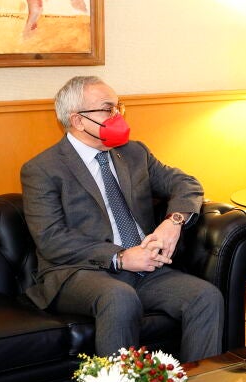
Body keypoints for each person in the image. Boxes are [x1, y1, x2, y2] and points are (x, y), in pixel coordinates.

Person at [21, 75, 223, 362]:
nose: (117, 116)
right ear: (78, 120)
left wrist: (173, 221)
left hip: (145, 266)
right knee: (119, 297)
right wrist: (120, 257)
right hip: (78, 272)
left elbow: (186, 183)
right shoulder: (42, 169)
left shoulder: (133, 152)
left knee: (205, 297)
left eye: (119, 107)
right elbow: (51, 239)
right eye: (108, 109)